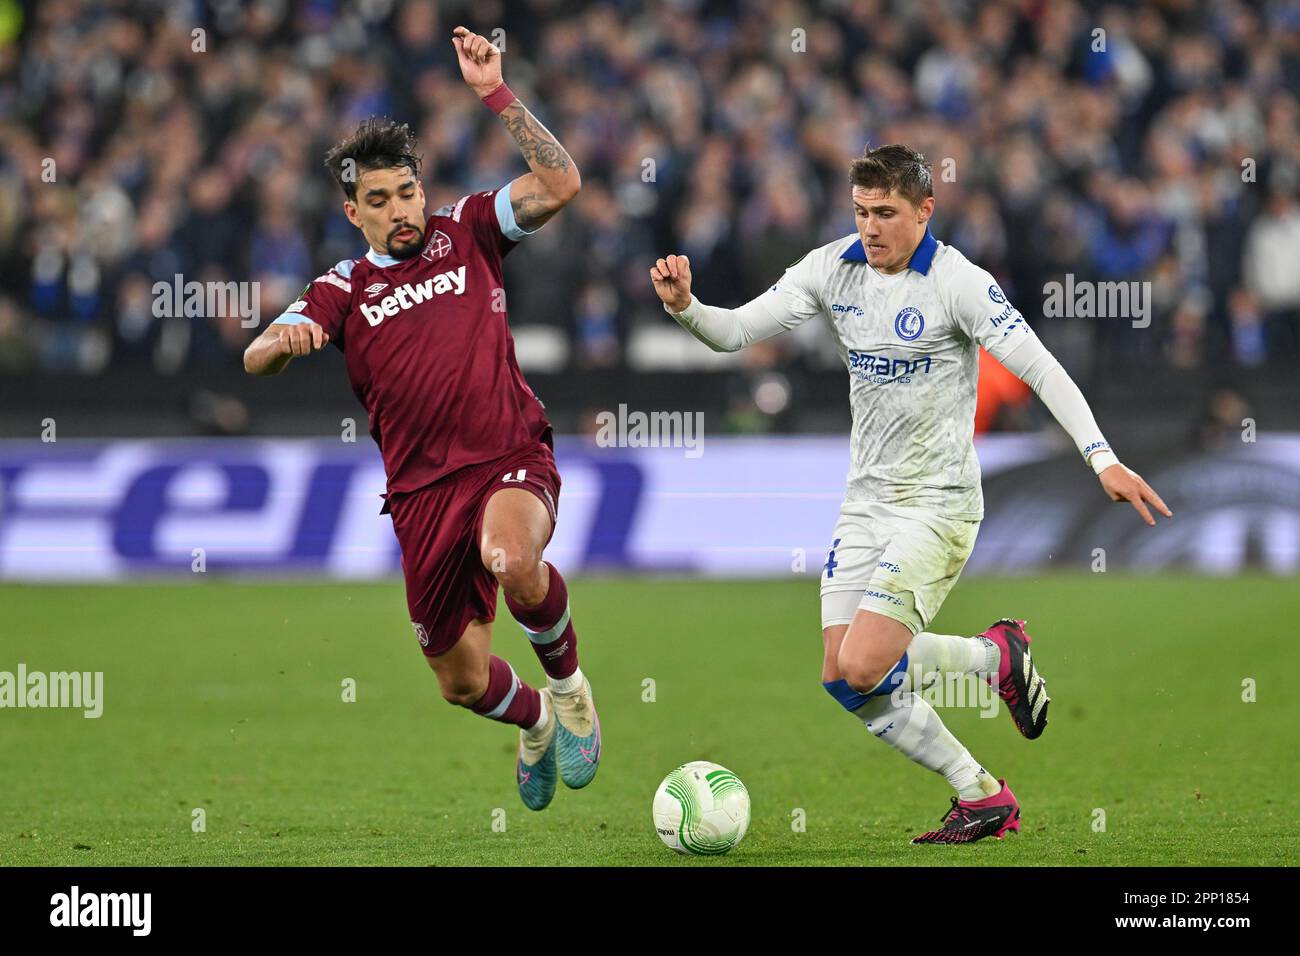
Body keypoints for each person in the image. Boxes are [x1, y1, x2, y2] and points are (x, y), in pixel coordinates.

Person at [650, 144, 1172, 844]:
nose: (870, 227)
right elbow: (736, 330)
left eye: (886, 213)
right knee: (842, 679)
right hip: (865, 503)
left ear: (925, 211)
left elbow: (1042, 368)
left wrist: (1101, 457)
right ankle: (980, 792)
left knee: (868, 664)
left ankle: (993, 659)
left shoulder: (960, 283)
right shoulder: (830, 268)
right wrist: (687, 307)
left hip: (939, 504)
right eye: (862, 211)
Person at [243, 27, 597, 813]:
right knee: (462, 682)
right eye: (379, 201)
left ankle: (569, 689)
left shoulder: (468, 228)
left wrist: (494, 93)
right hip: (420, 495)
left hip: (507, 453)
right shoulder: (343, 287)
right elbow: (254, 357)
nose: (400, 210)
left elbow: (562, 182)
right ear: (352, 212)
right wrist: (286, 338)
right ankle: (535, 720)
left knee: (511, 559)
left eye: (406, 191)